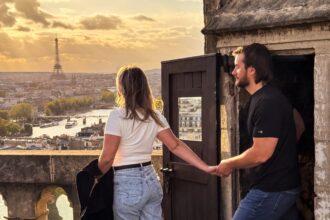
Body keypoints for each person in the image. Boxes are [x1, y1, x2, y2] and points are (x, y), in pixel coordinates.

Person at [98, 65, 216, 220]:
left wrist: (95, 176)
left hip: (127, 183)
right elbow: (176, 145)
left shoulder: (117, 116)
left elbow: (107, 159)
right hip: (151, 180)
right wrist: (205, 167)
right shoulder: (154, 116)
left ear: (121, 89)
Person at [216, 43, 300, 220]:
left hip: (271, 189)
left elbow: (260, 154)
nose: (233, 72)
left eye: (238, 67)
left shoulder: (267, 102)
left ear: (252, 70)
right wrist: (283, 148)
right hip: (281, 187)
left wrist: (228, 163)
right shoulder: (267, 97)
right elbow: (298, 126)